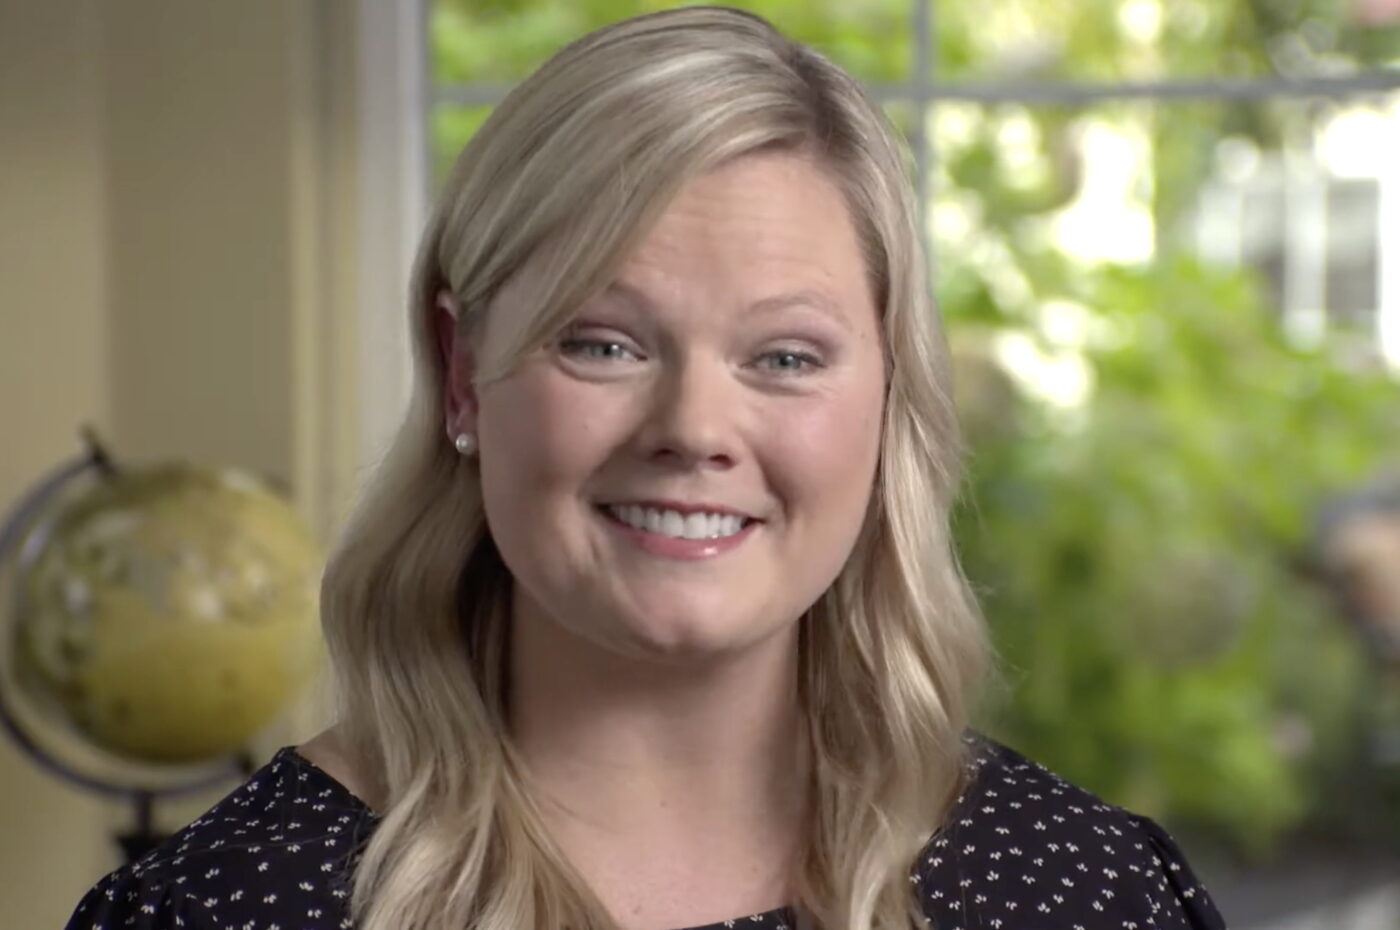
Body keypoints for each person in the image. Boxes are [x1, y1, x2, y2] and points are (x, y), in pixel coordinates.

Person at [66, 7, 1227, 930]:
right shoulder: (221, 908)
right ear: (462, 374)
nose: (692, 428)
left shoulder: (1086, 893)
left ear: (886, 399)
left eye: (784, 356)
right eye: (602, 343)